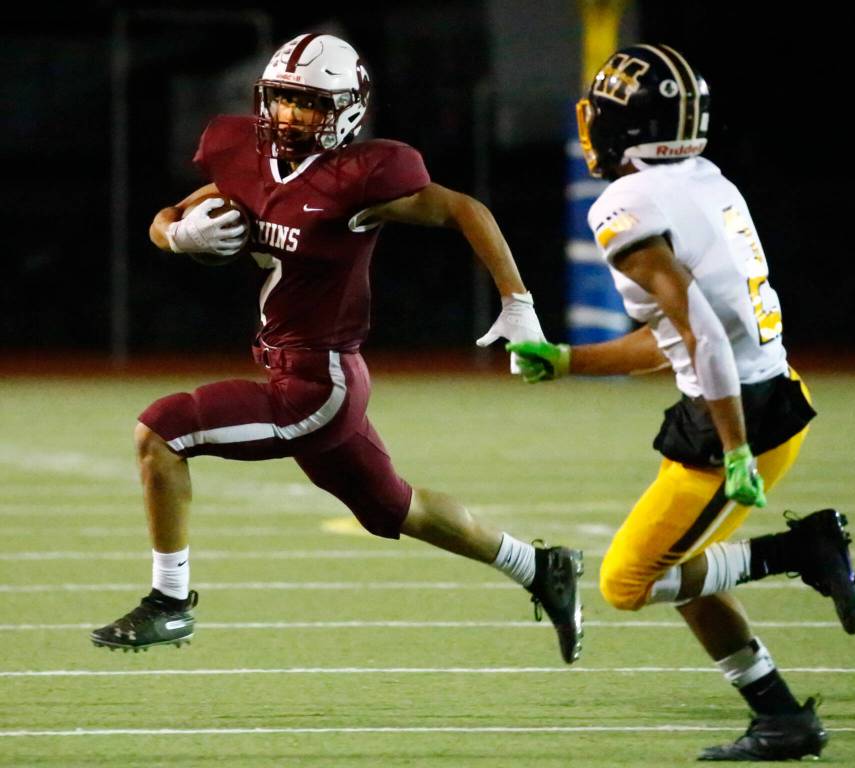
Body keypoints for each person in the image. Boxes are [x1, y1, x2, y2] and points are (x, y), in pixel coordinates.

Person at [90, 33, 583, 666]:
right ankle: (540, 567)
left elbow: (465, 209)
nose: (290, 116)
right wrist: (178, 235)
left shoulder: (363, 176)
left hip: (318, 384)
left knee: (160, 432)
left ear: (348, 110)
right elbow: (169, 215)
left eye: (309, 104)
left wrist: (518, 303)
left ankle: (170, 603)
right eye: (283, 100)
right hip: (292, 367)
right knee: (394, 508)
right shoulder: (242, 149)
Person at [508, 43, 855, 761]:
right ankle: (780, 716)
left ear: (626, 129)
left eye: (600, 117)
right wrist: (572, 361)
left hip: (741, 422)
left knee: (627, 580)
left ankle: (800, 548)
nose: (589, 129)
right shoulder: (707, 182)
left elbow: (701, 338)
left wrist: (733, 449)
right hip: (765, 399)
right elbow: (683, 335)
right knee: (678, 563)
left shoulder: (626, 204)